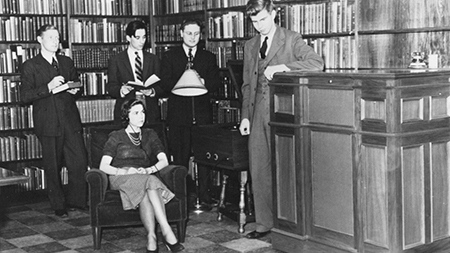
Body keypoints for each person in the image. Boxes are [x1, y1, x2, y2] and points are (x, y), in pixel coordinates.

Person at [239, 0, 324, 239]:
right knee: (259, 168)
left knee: (286, 168)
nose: (259, 26)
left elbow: (317, 64)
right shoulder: (250, 45)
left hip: (284, 113)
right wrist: (245, 117)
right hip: (256, 116)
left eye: (263, 20)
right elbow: (247, 84)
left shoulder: (291, 38)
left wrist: (282, 67)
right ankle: (264, 224)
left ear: (274, 13)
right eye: (254, 22)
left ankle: (289, 225)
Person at [99, 98, 184, 253]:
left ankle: (151, 237)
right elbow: (103, 166)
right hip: (121, 176)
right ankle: (166, 231)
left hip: (143, 176)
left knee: (147, 188)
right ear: (127, 116)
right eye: (136, 113)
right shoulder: (116, 136)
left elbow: (164, 160)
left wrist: (148, 170)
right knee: (151, 181)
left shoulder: (150, 134)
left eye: (143, 112)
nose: (141, 116)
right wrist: (124, 171)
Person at [20, 24, 88, 217]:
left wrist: (76, 89)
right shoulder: (31, 65)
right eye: (51, 37)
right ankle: (58, 204)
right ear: (39, 40)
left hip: (70, 120)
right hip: (48, 122)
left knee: (79, 161)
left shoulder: (66, 62)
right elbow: (25, 96)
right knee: (52, 164)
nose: (56, 41)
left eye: (57, 37)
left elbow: (76, 84)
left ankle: (77, 201)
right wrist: (48, 87)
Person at [158, 19, 221, 207]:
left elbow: (215, 83)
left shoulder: (208, 57)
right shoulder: (170, 56)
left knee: (204, 158)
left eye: (196, 34)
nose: (193, 37)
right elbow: (165, 82)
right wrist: (185, 80)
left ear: (200, 35)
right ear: (181, 34)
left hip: (202, 116)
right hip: (179, 116)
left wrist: (202, 81)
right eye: (189, 33)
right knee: (180, 157)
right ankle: (181, 197)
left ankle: (205, 196)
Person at [107, 20, 161, 126]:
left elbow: (163, 85)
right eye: (137, 38)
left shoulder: (153, 59)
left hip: (149, 110)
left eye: (144, 37)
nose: (142, 41)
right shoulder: (116, 60)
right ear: (128, 38)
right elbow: (111, 87)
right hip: (126, 108)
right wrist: (121, 90)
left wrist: (152, 91)